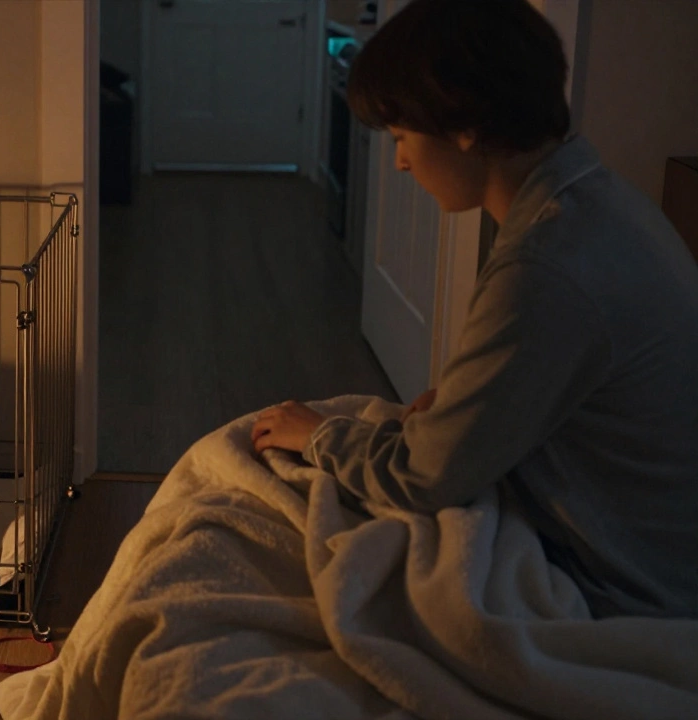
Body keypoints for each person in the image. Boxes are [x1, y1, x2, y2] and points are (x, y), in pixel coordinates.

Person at [251, 0, 698, 619]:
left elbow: (423, 477)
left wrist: (323, 436)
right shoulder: (596, 201)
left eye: (404, 136)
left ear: (465, 125)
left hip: (632, 585)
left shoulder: (547, 265)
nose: (401, 162)